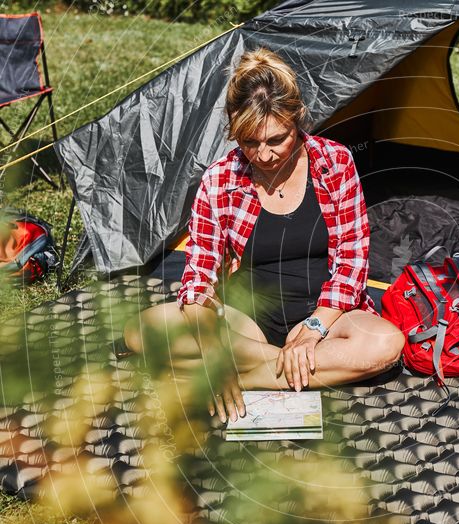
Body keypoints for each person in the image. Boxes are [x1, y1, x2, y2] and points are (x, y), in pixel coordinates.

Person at [123, 48, 406, 423]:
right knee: (140, 331)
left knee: (386, 344)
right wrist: (213, 353)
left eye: (277, 139)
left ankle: (253, 377)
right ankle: (284, 366)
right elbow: (199, 278)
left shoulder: (334, 162)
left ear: (297, 119)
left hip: (328, 316)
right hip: (248, 321)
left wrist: (312, 330)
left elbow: (352, 263)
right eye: (250, 142)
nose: (265, 155)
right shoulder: (221, 180)